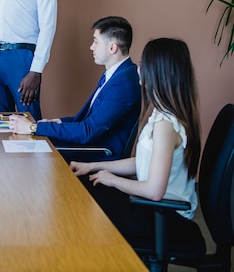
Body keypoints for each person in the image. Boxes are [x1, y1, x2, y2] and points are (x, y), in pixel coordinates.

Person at [69, 38, 201, 240]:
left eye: (143, 64)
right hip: (152, 207)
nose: (138, 69)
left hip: (163, 215)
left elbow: (155, 191)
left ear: (157, 73)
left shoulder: (165, 125)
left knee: (84, 203)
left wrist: (113, 180)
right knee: (85, 188)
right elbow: (142, 162)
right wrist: (92, 166)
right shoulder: (161, 115)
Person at [8, 16, 141, 159]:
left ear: (112, 47)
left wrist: (33, 127)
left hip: (97, 155)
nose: (91, 47)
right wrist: (59, 122)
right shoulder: (116, 74)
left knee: (25, 154)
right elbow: (89, 121)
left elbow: (88, 131)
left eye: (96, 42)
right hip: (87, 147)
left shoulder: (123, 84)